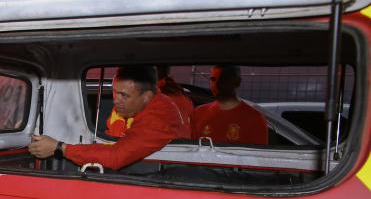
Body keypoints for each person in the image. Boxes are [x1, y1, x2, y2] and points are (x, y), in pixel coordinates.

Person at [29, 65, 189, 170]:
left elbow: (116, 157)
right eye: (114, 91)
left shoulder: (160, 117)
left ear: (147, 96)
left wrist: (60, 148)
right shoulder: (130, 106)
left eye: (123, 95)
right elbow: (112, 138)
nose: (115, 100)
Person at [192, 65, 268, 144]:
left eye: (223, 79)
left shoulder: (255, 119)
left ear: (237, 82)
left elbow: (260, 155)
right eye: (213, 79)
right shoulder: (198, 113)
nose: (217, 84)